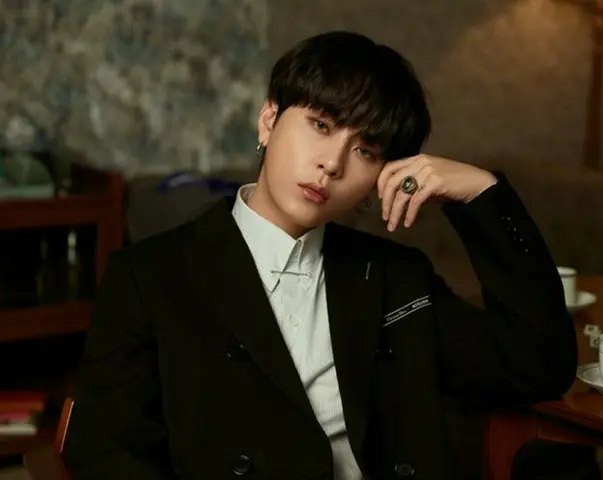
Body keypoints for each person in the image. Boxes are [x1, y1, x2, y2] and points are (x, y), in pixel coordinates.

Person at [63, 31, 577, 480]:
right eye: (322, 125)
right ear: (269, 120)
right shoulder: (149, 276)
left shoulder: (395, 279)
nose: (331, 164)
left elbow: (537, 365)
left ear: (382, 177)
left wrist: (483, 194)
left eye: (365, 151)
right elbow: (108, 454)